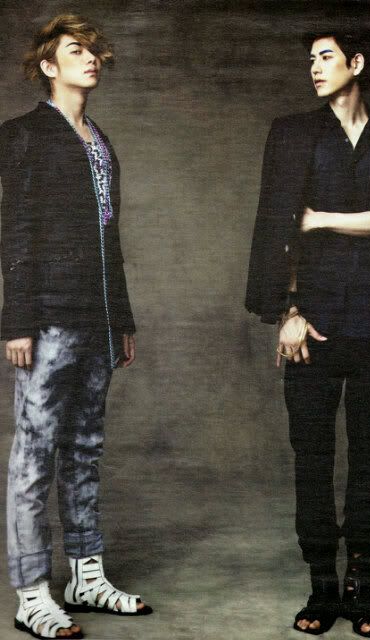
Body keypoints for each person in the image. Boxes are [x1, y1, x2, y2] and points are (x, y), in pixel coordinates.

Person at [245, 25, 370, 638]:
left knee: (369, 456)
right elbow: (275, 225)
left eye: (326, 57)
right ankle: (322, 585)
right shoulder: (292, 132)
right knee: (311, 456)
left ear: (356, 63)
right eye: (310, 58)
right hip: (311, 322)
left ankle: (361, 587)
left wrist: (320, 219)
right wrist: (287, 313)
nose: (314, 67)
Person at [1, 14, 152, 640]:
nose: (90, 59)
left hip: (97, 320)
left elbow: (109, 240)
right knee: (34, 455)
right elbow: (15, 232)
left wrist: (122, 319)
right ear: (48, 65)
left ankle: (86, 577)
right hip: (47, 320)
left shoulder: (99, 140)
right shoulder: (23, 134)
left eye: (93, 50)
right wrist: (16, 322)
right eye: (75, 50)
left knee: (85, 449)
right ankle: (32, 593)